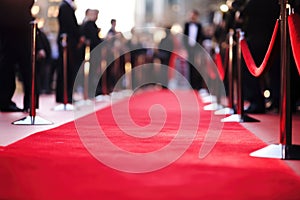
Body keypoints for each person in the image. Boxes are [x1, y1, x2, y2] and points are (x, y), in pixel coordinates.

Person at [238, 0, 280, 113]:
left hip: (257, 38)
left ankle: (257, 101)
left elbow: (244, 13)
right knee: (275, 72)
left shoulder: (252, 3)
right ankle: (277, 101)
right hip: (273, 37)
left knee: (250, 71)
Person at [0, 0, 34, 112]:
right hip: (20, 26)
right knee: (25, 67)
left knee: (8, 67)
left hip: (8, 27)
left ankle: (6, 101)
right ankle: (30, 102)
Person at [56, 0, 85, 104]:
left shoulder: (68, 7)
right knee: (65, 69)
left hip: (70, 42)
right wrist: (78, 36)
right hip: (67, 42)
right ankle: (64, 96)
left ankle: (67, 94)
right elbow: (70, 26)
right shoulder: (65, 7)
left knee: (68, 70)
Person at [183, 9, 205, 90]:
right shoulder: (186, 25)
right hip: (189, 49)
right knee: (190, 67)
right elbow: (184, 37)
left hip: (197, 49)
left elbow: (201, 38)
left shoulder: (199, 26)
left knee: (197, 67)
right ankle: (191, 85)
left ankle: (198, 85)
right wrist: (185, 48)